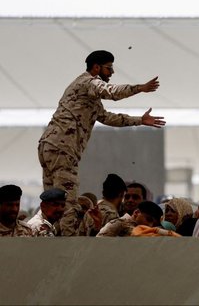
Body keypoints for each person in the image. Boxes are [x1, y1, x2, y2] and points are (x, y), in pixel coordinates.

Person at [37, 50, 166, 236]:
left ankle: (48, 237)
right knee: (66, 202)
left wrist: (140, 120)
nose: (112, 72)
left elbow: (107, 117)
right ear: (96, 67)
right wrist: (140, 88)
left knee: (53, 200)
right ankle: (67, 247)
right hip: (63, 147)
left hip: (50, 145)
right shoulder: (89, 82)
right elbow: (111, 92)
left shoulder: (87, 93)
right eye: (109, 67)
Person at [97, 201, 163, 237]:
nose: (150, 225)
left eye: (154, 225)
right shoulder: (120, 224)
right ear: (136, 212)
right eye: (149, 220)